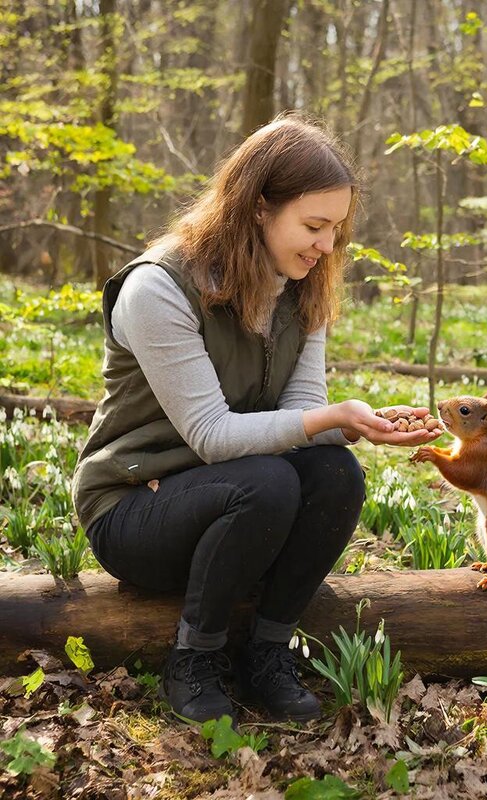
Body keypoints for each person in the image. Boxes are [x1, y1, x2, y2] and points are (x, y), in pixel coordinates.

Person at [71, 114, 441, 726]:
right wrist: (326, 418)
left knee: (336, 473)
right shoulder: (158, 289)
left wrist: (355, 424)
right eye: (314, 226)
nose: (327, 246)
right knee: (268, 483)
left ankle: (268, 650)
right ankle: (194, 659)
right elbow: (213, 435)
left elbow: (300, 417)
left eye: (336, 230)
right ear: (257, 208)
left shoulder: (304, 286)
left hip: (233, 496)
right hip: (135, 509)